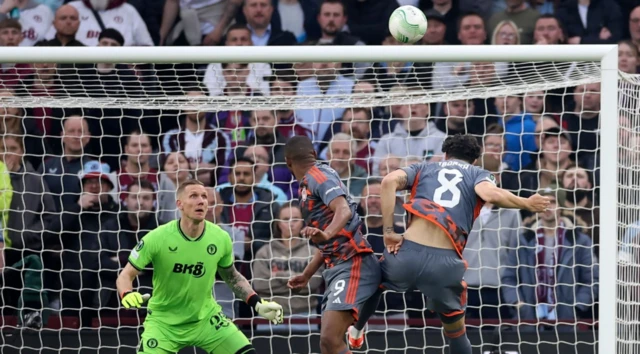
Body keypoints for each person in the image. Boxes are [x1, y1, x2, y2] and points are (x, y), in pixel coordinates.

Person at [346, 135, 550, 354]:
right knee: (456, 332)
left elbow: (387, 182)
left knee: (376, 280)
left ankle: (357, 330)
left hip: (407, 254)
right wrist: (526, 203)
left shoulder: (423, 168)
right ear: (474, 160)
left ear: (445, 155)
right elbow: (490, 193)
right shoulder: (477, 173)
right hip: (444, 266)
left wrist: (388, 232)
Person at [116, 179, 283, 354]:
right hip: (163, 324)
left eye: (204, 197)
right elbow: (125, 275)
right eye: (194, 196)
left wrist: (257, 303)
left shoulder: (221, 238)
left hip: (206, 320)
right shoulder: (157, 238)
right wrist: (127, 293)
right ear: (179, 204)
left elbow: (232, 277)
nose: (201, 201)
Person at [284, 135, 381, 354]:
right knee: (327, 345)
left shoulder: (318, 176)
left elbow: (344, 210)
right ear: (315, 154)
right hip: (337, 266)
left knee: (329, 339)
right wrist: (307, 274)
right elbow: (327, 241)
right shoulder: (310, 183)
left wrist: (326, 233)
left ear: (288, 162)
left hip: (353, 263)